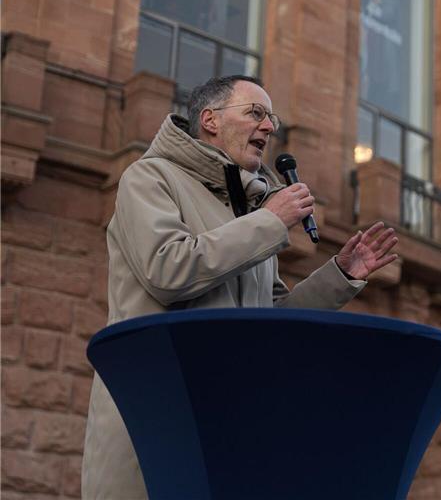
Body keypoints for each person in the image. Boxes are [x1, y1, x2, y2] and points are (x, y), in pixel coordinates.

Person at [81, 75, 399, 499]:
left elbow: (269, 319)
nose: (269, 127)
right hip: (160, 423)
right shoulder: (150, 178)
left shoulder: (251, 211)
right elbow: (168, 270)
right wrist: (269, 221)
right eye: (256, 113)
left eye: (272, 118)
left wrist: (341, 275)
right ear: (210, 120)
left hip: (230, 427)